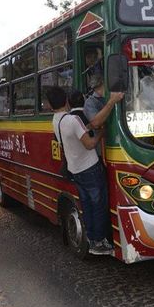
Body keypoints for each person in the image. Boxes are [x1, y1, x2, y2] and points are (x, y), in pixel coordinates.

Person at [46, 86, 113, 256]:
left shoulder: (56, 120)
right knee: (98, 204)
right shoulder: (73, 120)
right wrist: (101, 133)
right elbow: (90, 144)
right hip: (89, 167)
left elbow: (75, 134)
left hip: (75, 169)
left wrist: (88, 127)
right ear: (67, 101)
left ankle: (91, 239)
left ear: (49, 105)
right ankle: (99, 242)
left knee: (87, 205)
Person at [83, 73, 125, 155]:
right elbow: (95, 123)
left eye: (101, 87)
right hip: (103, 147)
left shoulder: (116, 95)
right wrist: (112, 101)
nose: (100, 91)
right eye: (97, 89)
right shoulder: (90, 102)